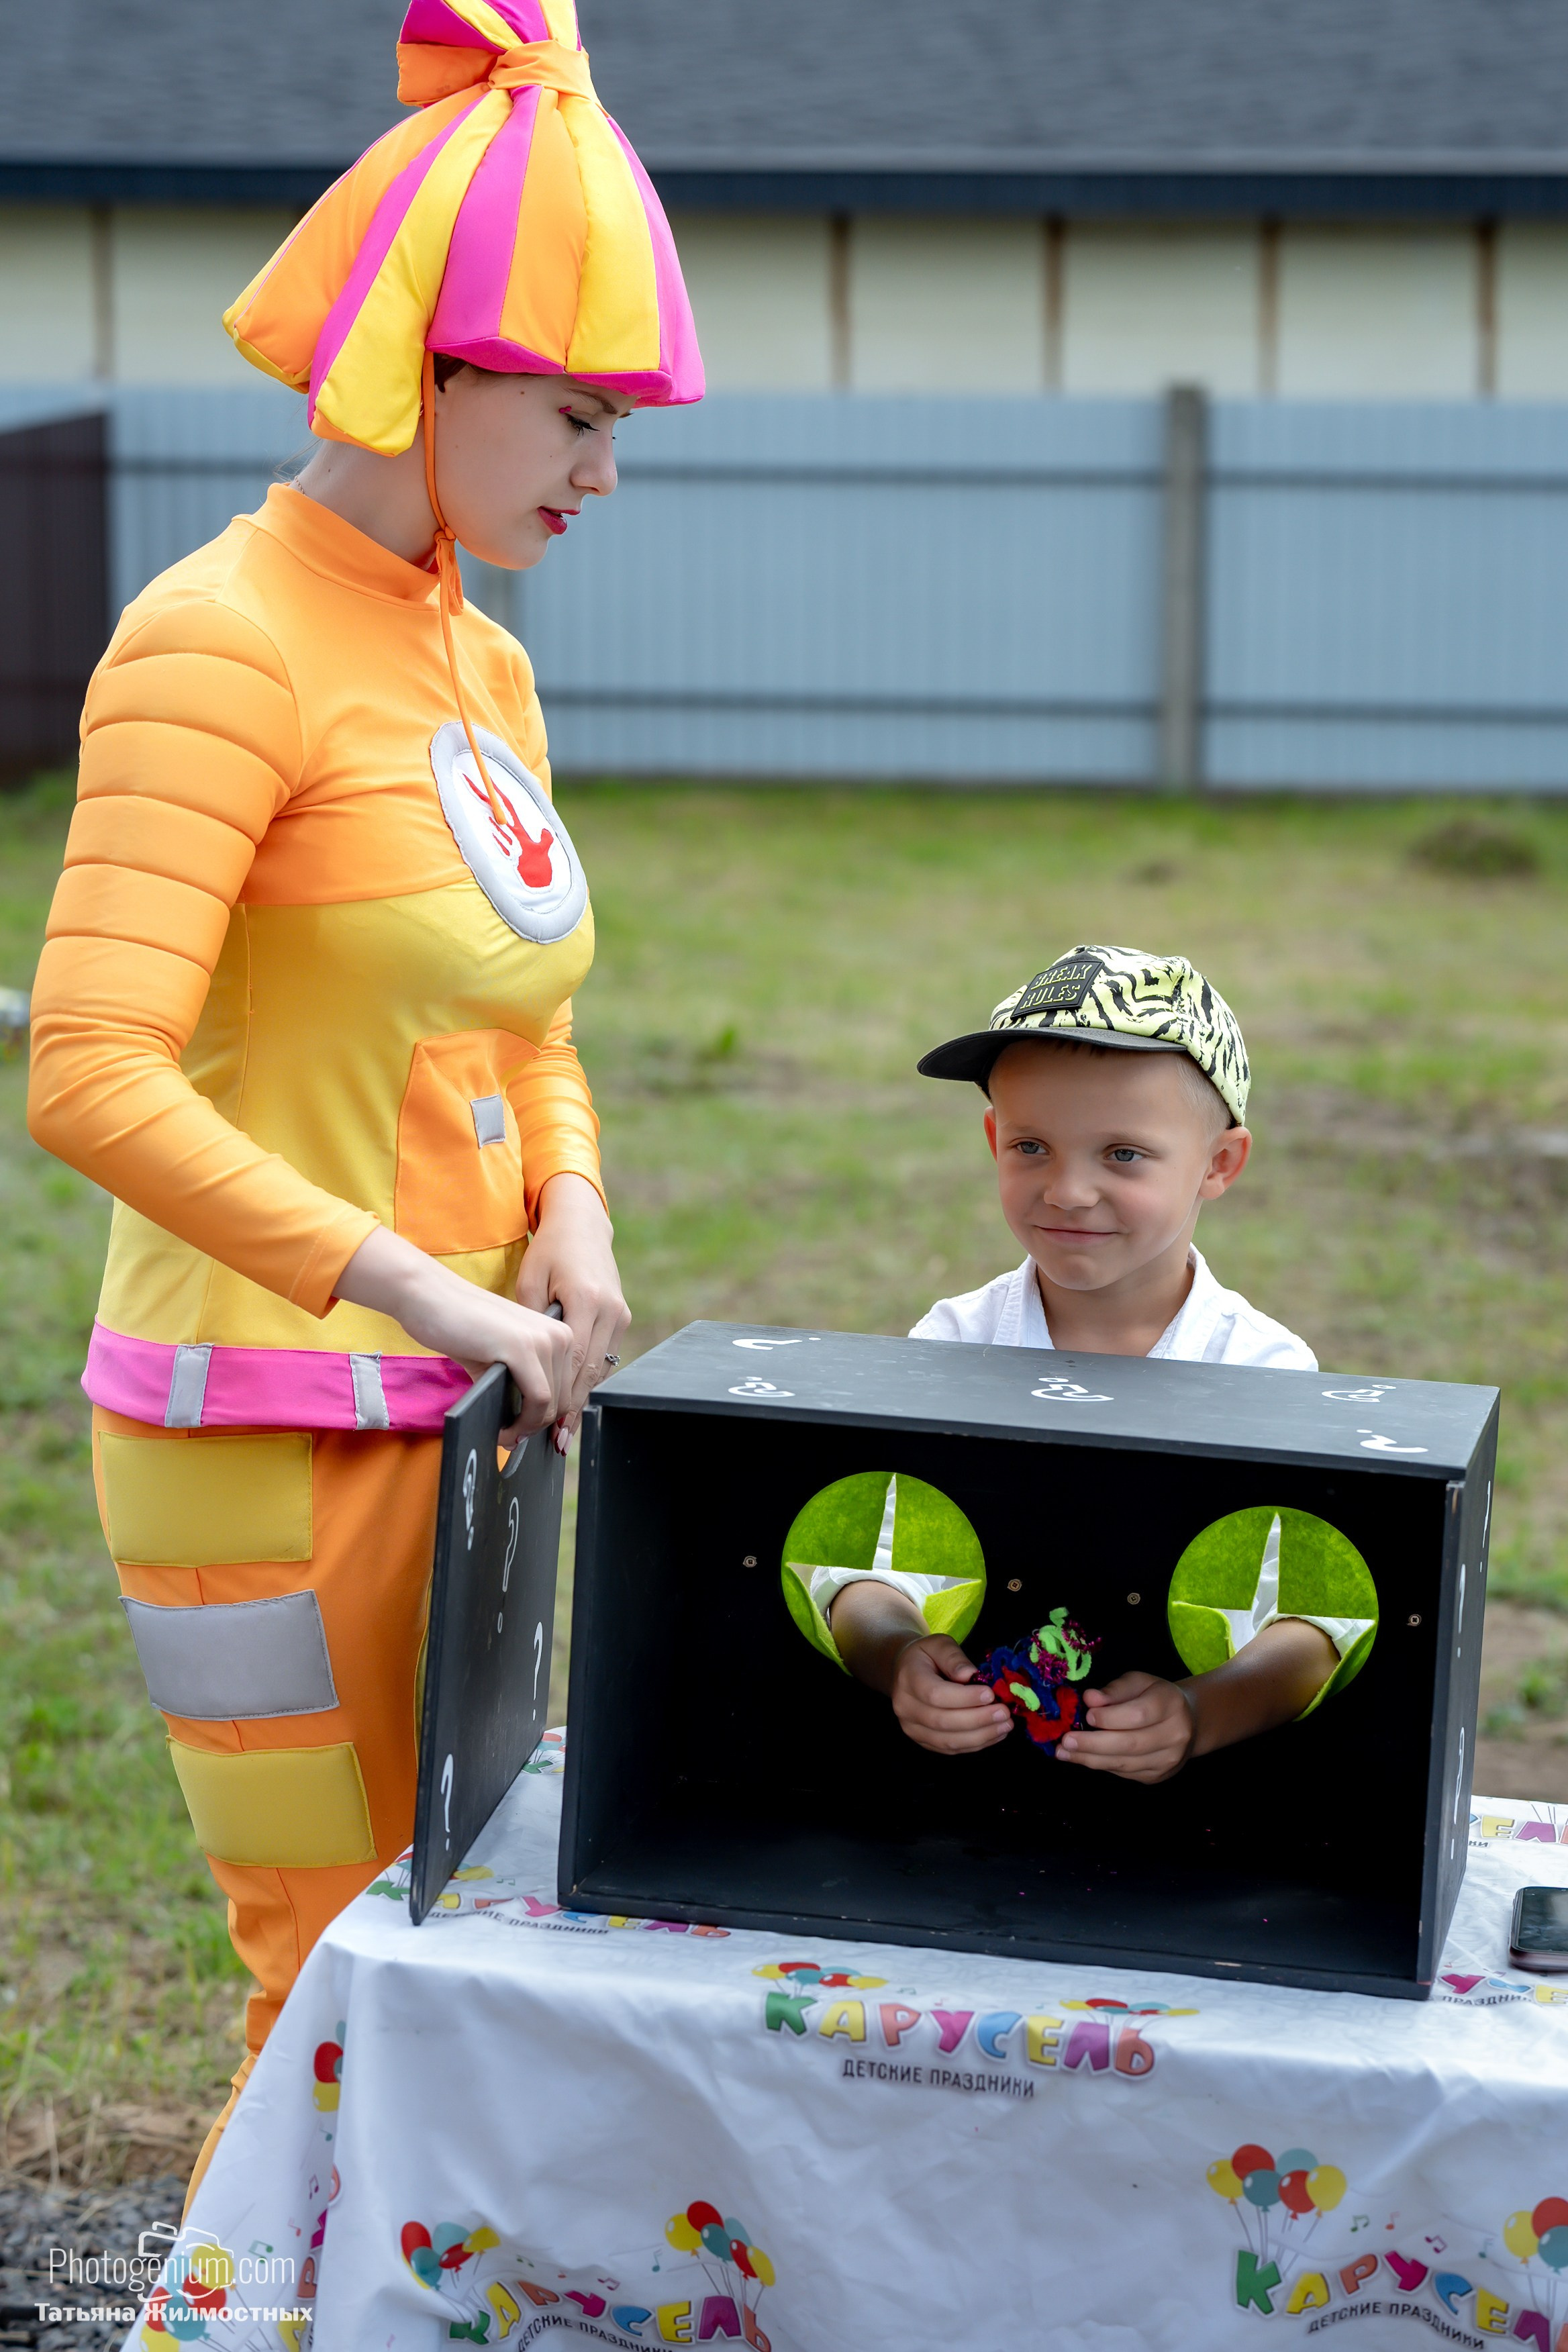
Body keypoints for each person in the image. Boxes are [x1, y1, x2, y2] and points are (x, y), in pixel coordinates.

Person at [26, 0, 701, 2199]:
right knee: (326, 1978)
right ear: (428, 364)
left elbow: (517, 1020)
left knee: (456, 1948)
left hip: (475, 1410)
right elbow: (89, 1073)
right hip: (252, 1433)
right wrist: (431, 1287)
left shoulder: (473, 652)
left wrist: (571, 1224)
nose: (606, 476)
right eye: (581, 417)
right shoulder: (216, 641)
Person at [824, 944, 1355, 1786]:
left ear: (1218, 1164)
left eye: (1123, 1155)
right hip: (963, 1801)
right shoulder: (952, 1345)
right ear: (992, 1137)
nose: (1067, 1190)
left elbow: (1319, 1623)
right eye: (1032, 1147)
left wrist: (1199, 1712)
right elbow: (861, 1564)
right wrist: (897, 1658)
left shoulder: (1261, 1369)